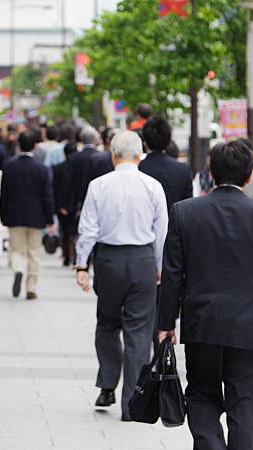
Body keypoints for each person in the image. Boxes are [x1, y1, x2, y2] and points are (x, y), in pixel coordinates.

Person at [158, 139, 253, 449]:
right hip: (250, 327)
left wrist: (165, 322)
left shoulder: (185, 212)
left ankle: (211, 445)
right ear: (249, 176)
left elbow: (172, 273)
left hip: (202, 323)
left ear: (210, 172)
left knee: (201, 394)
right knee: (244, 404)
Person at [75, 130, 168, 422]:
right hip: (142, 260)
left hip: (109, 261)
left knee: (107, 323)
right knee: (139, 331)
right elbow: (162, 233)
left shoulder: (98, 185)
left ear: (112, 154)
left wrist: (81, 266)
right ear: (140, 155)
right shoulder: (154, 186)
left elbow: (87, 229)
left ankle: (106, 383)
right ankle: (131, 403)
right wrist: (160, 267)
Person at [0, 129, 56, 300]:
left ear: (19, 145)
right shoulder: (42, 168)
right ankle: (31, 288)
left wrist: (2, 215)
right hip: (36, 215)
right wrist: (50, 219)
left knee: (16, 249)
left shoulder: (9, 166)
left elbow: (4, 193)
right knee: (34, 252)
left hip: (14, 214)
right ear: (35, 146)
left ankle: (17, 270)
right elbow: (47, 196)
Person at [139, 115, 192, 213]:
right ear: (168, 141)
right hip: (174, 226)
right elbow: (188, 207)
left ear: (144, 141)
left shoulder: (138, 168)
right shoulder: (183, 169)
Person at [52, 141, 78, 266]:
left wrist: (58, 206)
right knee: (74, 232)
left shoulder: (57, 168)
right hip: (74, 205)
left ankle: (66, 256)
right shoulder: (78, 169)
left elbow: (55, 188)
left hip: (61, 205)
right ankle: (74, 256)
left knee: (64, 231)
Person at [70, 126, 100, 211]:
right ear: (96, 139)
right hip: (96, 198)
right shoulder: (100, 157)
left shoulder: (73, 158)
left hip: (77, 199)